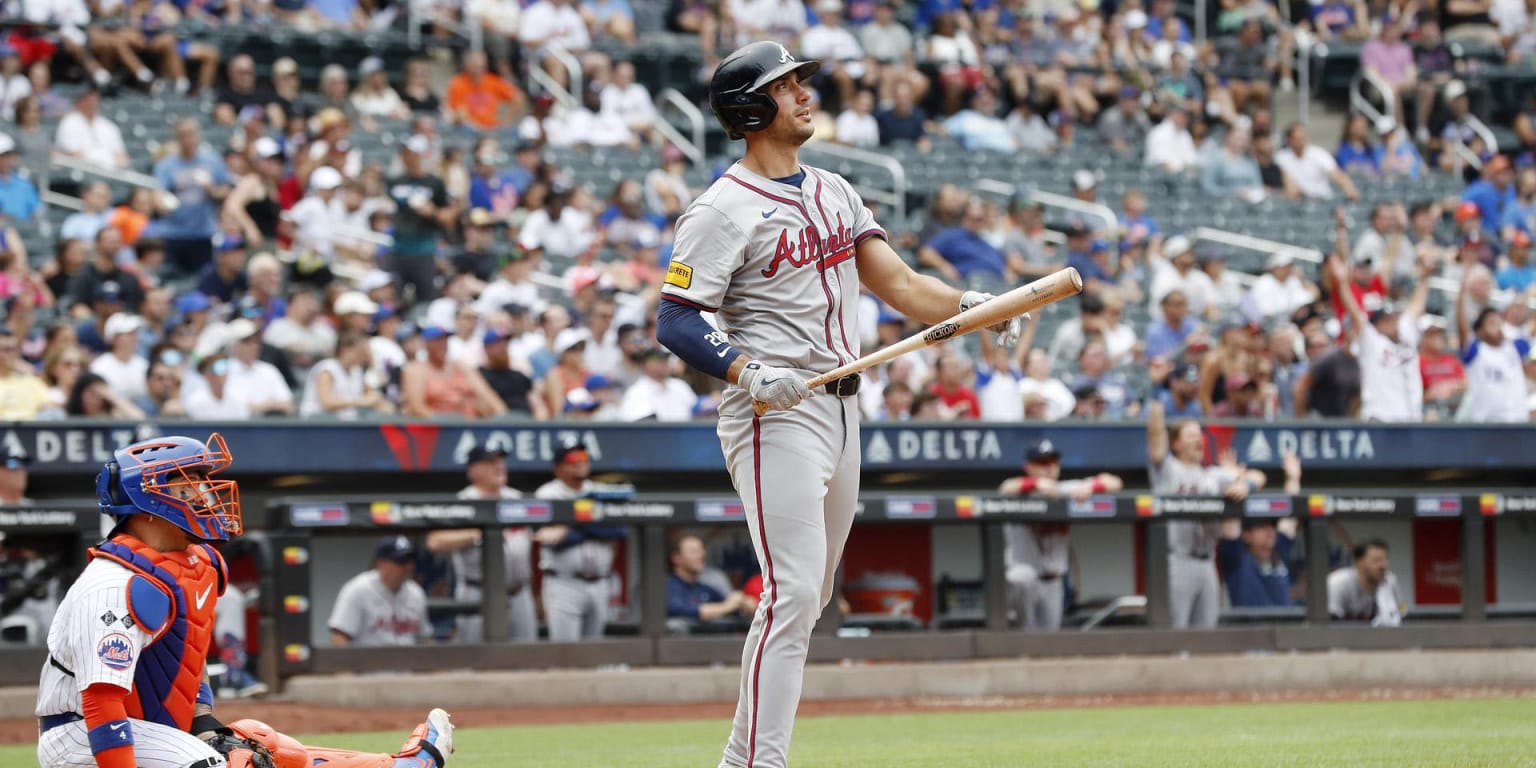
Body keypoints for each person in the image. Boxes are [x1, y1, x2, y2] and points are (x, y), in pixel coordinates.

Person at [654, 41, 1019, 768]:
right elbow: (677, 318)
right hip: (773, 410)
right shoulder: (720, 208)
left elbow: (907, 288)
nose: (803, 94)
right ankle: (756, 762)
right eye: (786, 86)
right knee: (791, 593)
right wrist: (745, 369)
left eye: (799, 82)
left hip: (844, 408)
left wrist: (974, 306)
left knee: (811, 594)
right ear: (751, 108)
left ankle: (743, 757)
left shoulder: (834, 190)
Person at [34, 434, 456, 768]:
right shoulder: (113, 583)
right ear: (148, 499)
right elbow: (101, 702)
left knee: (264, 746)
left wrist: (201, 722)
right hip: (80, 734)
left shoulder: (196, 564)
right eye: (190, 481)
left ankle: (399, 766)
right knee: (218, 764)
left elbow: (186, 656)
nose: (206, 492)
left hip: (143, 726)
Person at [1146, 398, 1269, 629]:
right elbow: (1155, 437)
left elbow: (1259, 476)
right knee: (1175, 632)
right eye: (1190, 435)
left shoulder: (1214, 475)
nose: (1198, 439)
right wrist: (1155, 399)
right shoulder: (1168, 471)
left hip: (1208, 561)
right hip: (1177, 560)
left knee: (1207, 634)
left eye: (1199, 434)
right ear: (1176, 444)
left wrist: (1245, 486)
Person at [997, 440, 1123, 631]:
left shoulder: (1064, 490)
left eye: (1053, 462)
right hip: (1022, 578)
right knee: (1024, 579)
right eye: (1042, 463)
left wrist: (1091, 487)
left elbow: (1114, 482)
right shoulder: (1019, 492)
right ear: (1028, 467)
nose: (1049, 468)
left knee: (1049, 638)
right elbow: (1006, 487)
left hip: (1053, 580)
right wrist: (1035, 483)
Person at [425, 444, 542, 643]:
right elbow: (435, 542)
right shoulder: (463, 501)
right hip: (477, 592)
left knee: (527, 656)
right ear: (473, 470)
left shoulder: (517, 499)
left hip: (519, 592)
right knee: (475, 656)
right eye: (490, 462)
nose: (499, 467)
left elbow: (542, 530)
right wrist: (481, 533)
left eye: (500, 461)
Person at [533, 440, 626, 641]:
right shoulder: (548, 493)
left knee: (594, 651)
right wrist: (595, 526)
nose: (580, 462)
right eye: (572, 459)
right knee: (566, 653)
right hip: (564, 582)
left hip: (600, 582)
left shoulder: (601, 491)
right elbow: (550, 539)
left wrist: (570, 528)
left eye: (584, 457)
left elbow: (620, 530)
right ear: (557, 468)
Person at [1329, 254, 1431, 422]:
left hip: (1411, 419)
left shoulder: (1405, 333)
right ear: (1377, 324)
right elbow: (1354, 313)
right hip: (1380, 418)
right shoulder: (1371, 340)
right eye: (1387, 319)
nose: (1393, 322)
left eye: (1393, 318)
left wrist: (1425, 277)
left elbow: (1417, 306)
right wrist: (1342, 283)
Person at [1218, 451, 1303, 607]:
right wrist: (1234, 480)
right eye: (1262, 528)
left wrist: (1293, 479)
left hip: (1285, 627)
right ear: (1246, 535)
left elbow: (1289, 518)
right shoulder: (1237, 557)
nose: (1270, 531)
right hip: (1249, 628)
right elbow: (1231, 523)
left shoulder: (1278, 550)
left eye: (1271, 526)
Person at [1456, 266, 1531, 422]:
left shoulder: (1514, 347)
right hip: (1487, 425)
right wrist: (1462, 289)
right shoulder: (1476, 350)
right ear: (1480, 331)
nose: (1497, 327)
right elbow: (1462, 327)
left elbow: (1532, 326)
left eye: (1498, 322)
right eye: (1491, 323)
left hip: (1517, 422)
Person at [329, 535, 432, 647]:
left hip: (409, 662)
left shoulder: (416, 593)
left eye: (410, 561)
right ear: (381, 563)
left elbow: (426, 639)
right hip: (369, 662)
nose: (407, 567)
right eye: (400, 561)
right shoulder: (357, 589)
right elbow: (339, 638)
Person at [666, 534, 752, 633]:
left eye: (701, 550)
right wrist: (727, 606)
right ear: (677, 558)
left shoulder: (705, 589)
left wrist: (742, 601)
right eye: (694, 552)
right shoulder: (668, 586)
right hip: (676, 645)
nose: (701, 555)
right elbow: (680, 609)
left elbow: (734, 608)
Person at [1327, 540, 1403, 626]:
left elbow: (1397, 618)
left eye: (1385, 560)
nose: (1383, 566)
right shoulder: (1337, 582)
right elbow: (1330, 626)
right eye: (1377, 560)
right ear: (1359, 563)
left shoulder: (1390, 581)